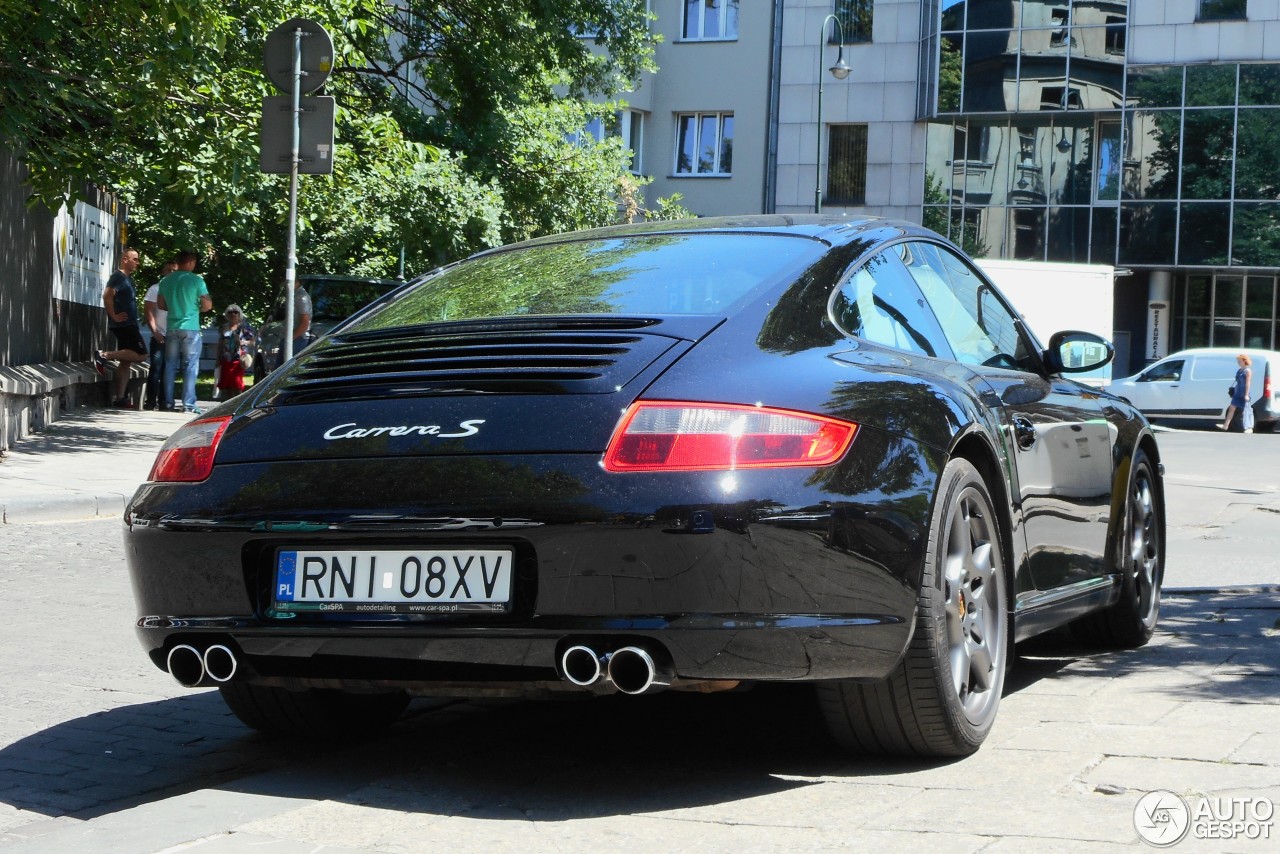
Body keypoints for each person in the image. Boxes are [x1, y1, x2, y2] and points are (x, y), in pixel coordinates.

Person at [91, 247, 148, 407]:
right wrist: (114, 315)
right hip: (124, 324)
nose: (137, 262)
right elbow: (107, 295)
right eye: (134, 259)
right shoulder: (118, 277)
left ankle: (120, 398)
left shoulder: (129, 279)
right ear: (125, 259)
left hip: (129, 323)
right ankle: (104, 355)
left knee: (126, 362)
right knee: (141, 354)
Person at [158, 250, 212, 413]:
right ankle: (188, 404)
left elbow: (161, 305)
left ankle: (167, 402)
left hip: (172, 327)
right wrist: (197, 309)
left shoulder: (165, 281)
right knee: (190, 365)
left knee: (170, 365)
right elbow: (208, 305)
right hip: (191, 328)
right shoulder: (197, 280)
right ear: (191, 262)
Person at [142, 259, 178, 410]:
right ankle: (150, 401)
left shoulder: (180, 290)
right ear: (163, 272)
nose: (171, 273)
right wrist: (155, 331)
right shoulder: (156, 289)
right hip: (159, 335)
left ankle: (165, 402)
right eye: (168, 270)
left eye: (174, 270)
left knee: (169, 370)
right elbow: (148, 311)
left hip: (175, 336)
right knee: (156, 368)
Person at [214, 304, 255, 399]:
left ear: (239, 314)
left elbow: (253, 341)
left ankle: (237, 402)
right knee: (226, 383)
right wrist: (217, 359)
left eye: (235, 312)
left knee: (236, 382)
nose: (233, 314)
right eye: (230, 312)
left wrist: (243, 342)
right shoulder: (223, 327)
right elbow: (220, 343)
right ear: (227, 314)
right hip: (225, 359)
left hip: (238, 360)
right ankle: (227, 404)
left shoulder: (244, 327)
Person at [1221, 353, 1254, 433]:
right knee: (1231, 408)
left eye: (1239, 361)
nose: (1238, 362)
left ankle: (1249, 427)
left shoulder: (1247, 371)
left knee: (1246, 411)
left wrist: (1246, 395)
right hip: (1237, 392)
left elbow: (1248, 383)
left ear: (1244, 361)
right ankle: (1226, 425)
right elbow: (1237, 382)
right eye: (1238, 361)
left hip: (1244, 393)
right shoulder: (1239, 370)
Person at [289, 282, 312, 363]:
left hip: (298, 339)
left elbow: (305, 323)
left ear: (296, 282)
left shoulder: (302, 297)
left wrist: (290, 339)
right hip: (292, 339)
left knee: (287, 370)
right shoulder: (294, 295)